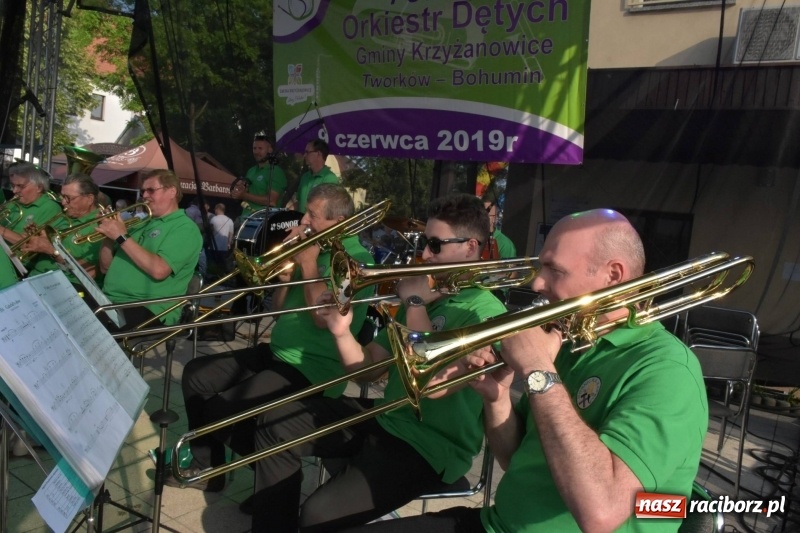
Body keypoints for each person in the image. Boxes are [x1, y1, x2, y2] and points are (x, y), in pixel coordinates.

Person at [344, 209, 709, 533]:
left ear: (613, 275)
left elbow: (600, 513)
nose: (536, 283)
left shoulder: (667, 370)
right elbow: (515, 458)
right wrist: (498, 397)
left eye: (554, 270)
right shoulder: (571, 339)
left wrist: (539, 372)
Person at [247, 193, 508, 532]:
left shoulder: (486, 312)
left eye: (434, 245)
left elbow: (434, 385)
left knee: (318, 515)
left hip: (430, 446)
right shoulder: (427, 294)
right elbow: (370, 368)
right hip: (388, 418)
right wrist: (342, 332)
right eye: (423, 244)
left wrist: (414, 303)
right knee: (274, 422)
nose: (424, 254)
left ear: (470, 247)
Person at [172, 183, 374, 493]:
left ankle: (274, 478)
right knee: (196, 375)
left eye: (313, 215)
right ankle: (211, 466)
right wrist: (283, 278)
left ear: (339, 221)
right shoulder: (314, 245)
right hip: (278, 352)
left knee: (220, 413)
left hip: (312, 367)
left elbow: (324, 321)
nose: (304, 220)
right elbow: (278, 312)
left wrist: (307, 263)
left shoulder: (355, 260)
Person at [95, 169, 202, 329]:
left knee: (87, 327)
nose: (144, 195)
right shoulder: (140, 224)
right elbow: (106, 267)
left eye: (151, 190)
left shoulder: (185, 228)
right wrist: (108, 238)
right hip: (111, 300)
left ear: (172, 191)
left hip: (150, 307)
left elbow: (159, 270)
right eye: (143, 191)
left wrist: (121, 236)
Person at [23, 174, 104, 287]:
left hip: (67, 286)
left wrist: (52, 250)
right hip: (34, 277)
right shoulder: (63, 217)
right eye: (62, 197)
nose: (63, 202)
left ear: (89, 199)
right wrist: (35, 239)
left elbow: (90, 272)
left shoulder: (100, 225)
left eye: (68, 198)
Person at [0, 162, 62, 246]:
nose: (14, 191)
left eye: (20, 186)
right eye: (12, 185)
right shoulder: (12, 204)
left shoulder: (51, 208)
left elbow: (30, 244)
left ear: (39, 187)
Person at [232, 131, 288, 220]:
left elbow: (272, 201)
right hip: (245, 220)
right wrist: (239, 190)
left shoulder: (275, 171)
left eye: (260, 148)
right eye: (254, 148)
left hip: (263, 223)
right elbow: (246, 192)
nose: (256, 152)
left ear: (270, 149)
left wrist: (244, 195)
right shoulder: (251, 170)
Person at [289, 138, 339, 213]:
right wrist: (286, 212)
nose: (304, 155)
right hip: (302, 222)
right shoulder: (305, 177)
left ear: (318, 154)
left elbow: (326, 208)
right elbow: (299, 203)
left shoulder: (330, 178)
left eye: (307, 152)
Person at [208, 202, 234, 271]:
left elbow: (210, 231)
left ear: (217, 209)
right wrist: (229, 244)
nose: (214, 210)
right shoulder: (230, 220)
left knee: (214, 265)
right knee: (223, 265)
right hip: (224, 247)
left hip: (214, 246)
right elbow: (231, 234)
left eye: (215, 209)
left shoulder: (213, 219)